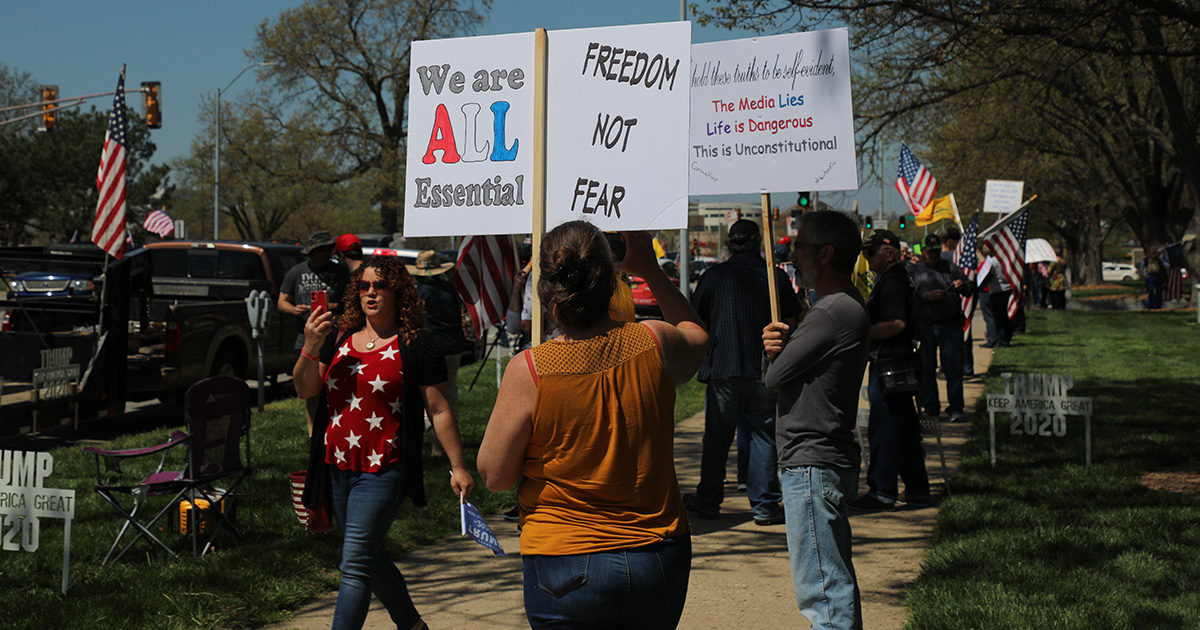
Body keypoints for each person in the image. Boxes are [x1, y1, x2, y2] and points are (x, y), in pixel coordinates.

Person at [477, 221, 709, 630]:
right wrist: (651, 270)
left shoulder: (529, 371)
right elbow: (697, 336)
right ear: (612, 281)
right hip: (658, 554)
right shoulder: (655, 341)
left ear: (545, 293)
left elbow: (495, 476)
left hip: (564, 557)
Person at [293, 255, 474, 630]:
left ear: (399, 292)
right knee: (370, 557)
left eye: (380, 285)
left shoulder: (418, 344)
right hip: (337, 464)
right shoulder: (339, 337)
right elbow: (305, 388)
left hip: (385, 468)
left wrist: (458, 466)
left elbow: (438, 410)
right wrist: (311, 345)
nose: (370, 293)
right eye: (363, 286)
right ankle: (412, 625)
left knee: (355, 562)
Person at [761, 210, 870, 630]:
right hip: (824, 458)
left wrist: (773, 348)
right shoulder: (839, 307)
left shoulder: (830, 313)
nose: (792, 254)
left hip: (812, 461)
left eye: (800, 247)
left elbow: (774, 376)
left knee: (824, 598)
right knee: (832, 588)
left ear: (826, 253)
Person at [682, 219, 801, 525]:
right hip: (766, 369)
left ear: (730, 244)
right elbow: (790, 322)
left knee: (717, 439)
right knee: (764, 437)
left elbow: (699, 324)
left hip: (723, 370)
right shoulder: (775, 278)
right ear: (759, 242)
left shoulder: (713, 276)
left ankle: (708, 502)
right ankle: (765, 506)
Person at [849, 230, 930, 511]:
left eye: (870, 252)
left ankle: (882, 492)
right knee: (905, 432)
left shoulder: (894, 280)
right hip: (897, 365)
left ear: (889, 253)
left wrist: (861, 334)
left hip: (890, 367)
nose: (867, 258)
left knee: (883, 431)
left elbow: (896, 323)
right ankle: (918, 490)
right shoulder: (895, 277)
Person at [280, 230, 350, 435]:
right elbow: (282, 300)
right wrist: (293, 309)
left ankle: (338, 425)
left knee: (336, 383)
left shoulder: (340, 272)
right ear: (311, 252)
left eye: (329, 249)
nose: (327, 253)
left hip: (336, 335)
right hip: (306, 336)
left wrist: (334, 306)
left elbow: (351, 302)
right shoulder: (296, 272)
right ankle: (313, 431)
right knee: (311, 388)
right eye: (322, 250)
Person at [908, 234, 974, 422]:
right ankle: (931, 407)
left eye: (936, 251)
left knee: (953, 368)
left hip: (950, 325)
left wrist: (961, 286)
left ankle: (956, 408)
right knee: (926, 368)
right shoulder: (914, 270)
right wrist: (925, 296)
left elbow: (969, 288)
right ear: (923, 251)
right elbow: (907, 294)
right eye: (929, 251)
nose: (933, 255)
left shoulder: (951, 268)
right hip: (925, 326)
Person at [408, 250, 467, 458]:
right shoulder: (449, 289)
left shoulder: (420, 293)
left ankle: (436, 448)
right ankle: (452, 442)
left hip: (431, 348)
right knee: (450, 392)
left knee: (432, 397)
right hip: (453, 346)